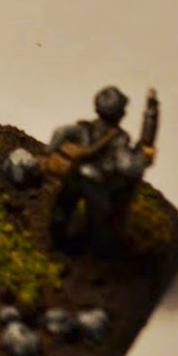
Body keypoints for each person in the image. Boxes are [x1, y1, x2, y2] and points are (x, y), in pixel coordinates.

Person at [42, 86, 158, 251]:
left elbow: (60, 132)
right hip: (98, 184)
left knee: (63, 208)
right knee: (98, 221)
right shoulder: (119, 139)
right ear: (120, 114)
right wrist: (143, 155)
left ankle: (58, 239)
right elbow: (128, 166)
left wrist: (49, 152)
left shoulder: (84, 127)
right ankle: (92, 250)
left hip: (74, 175)